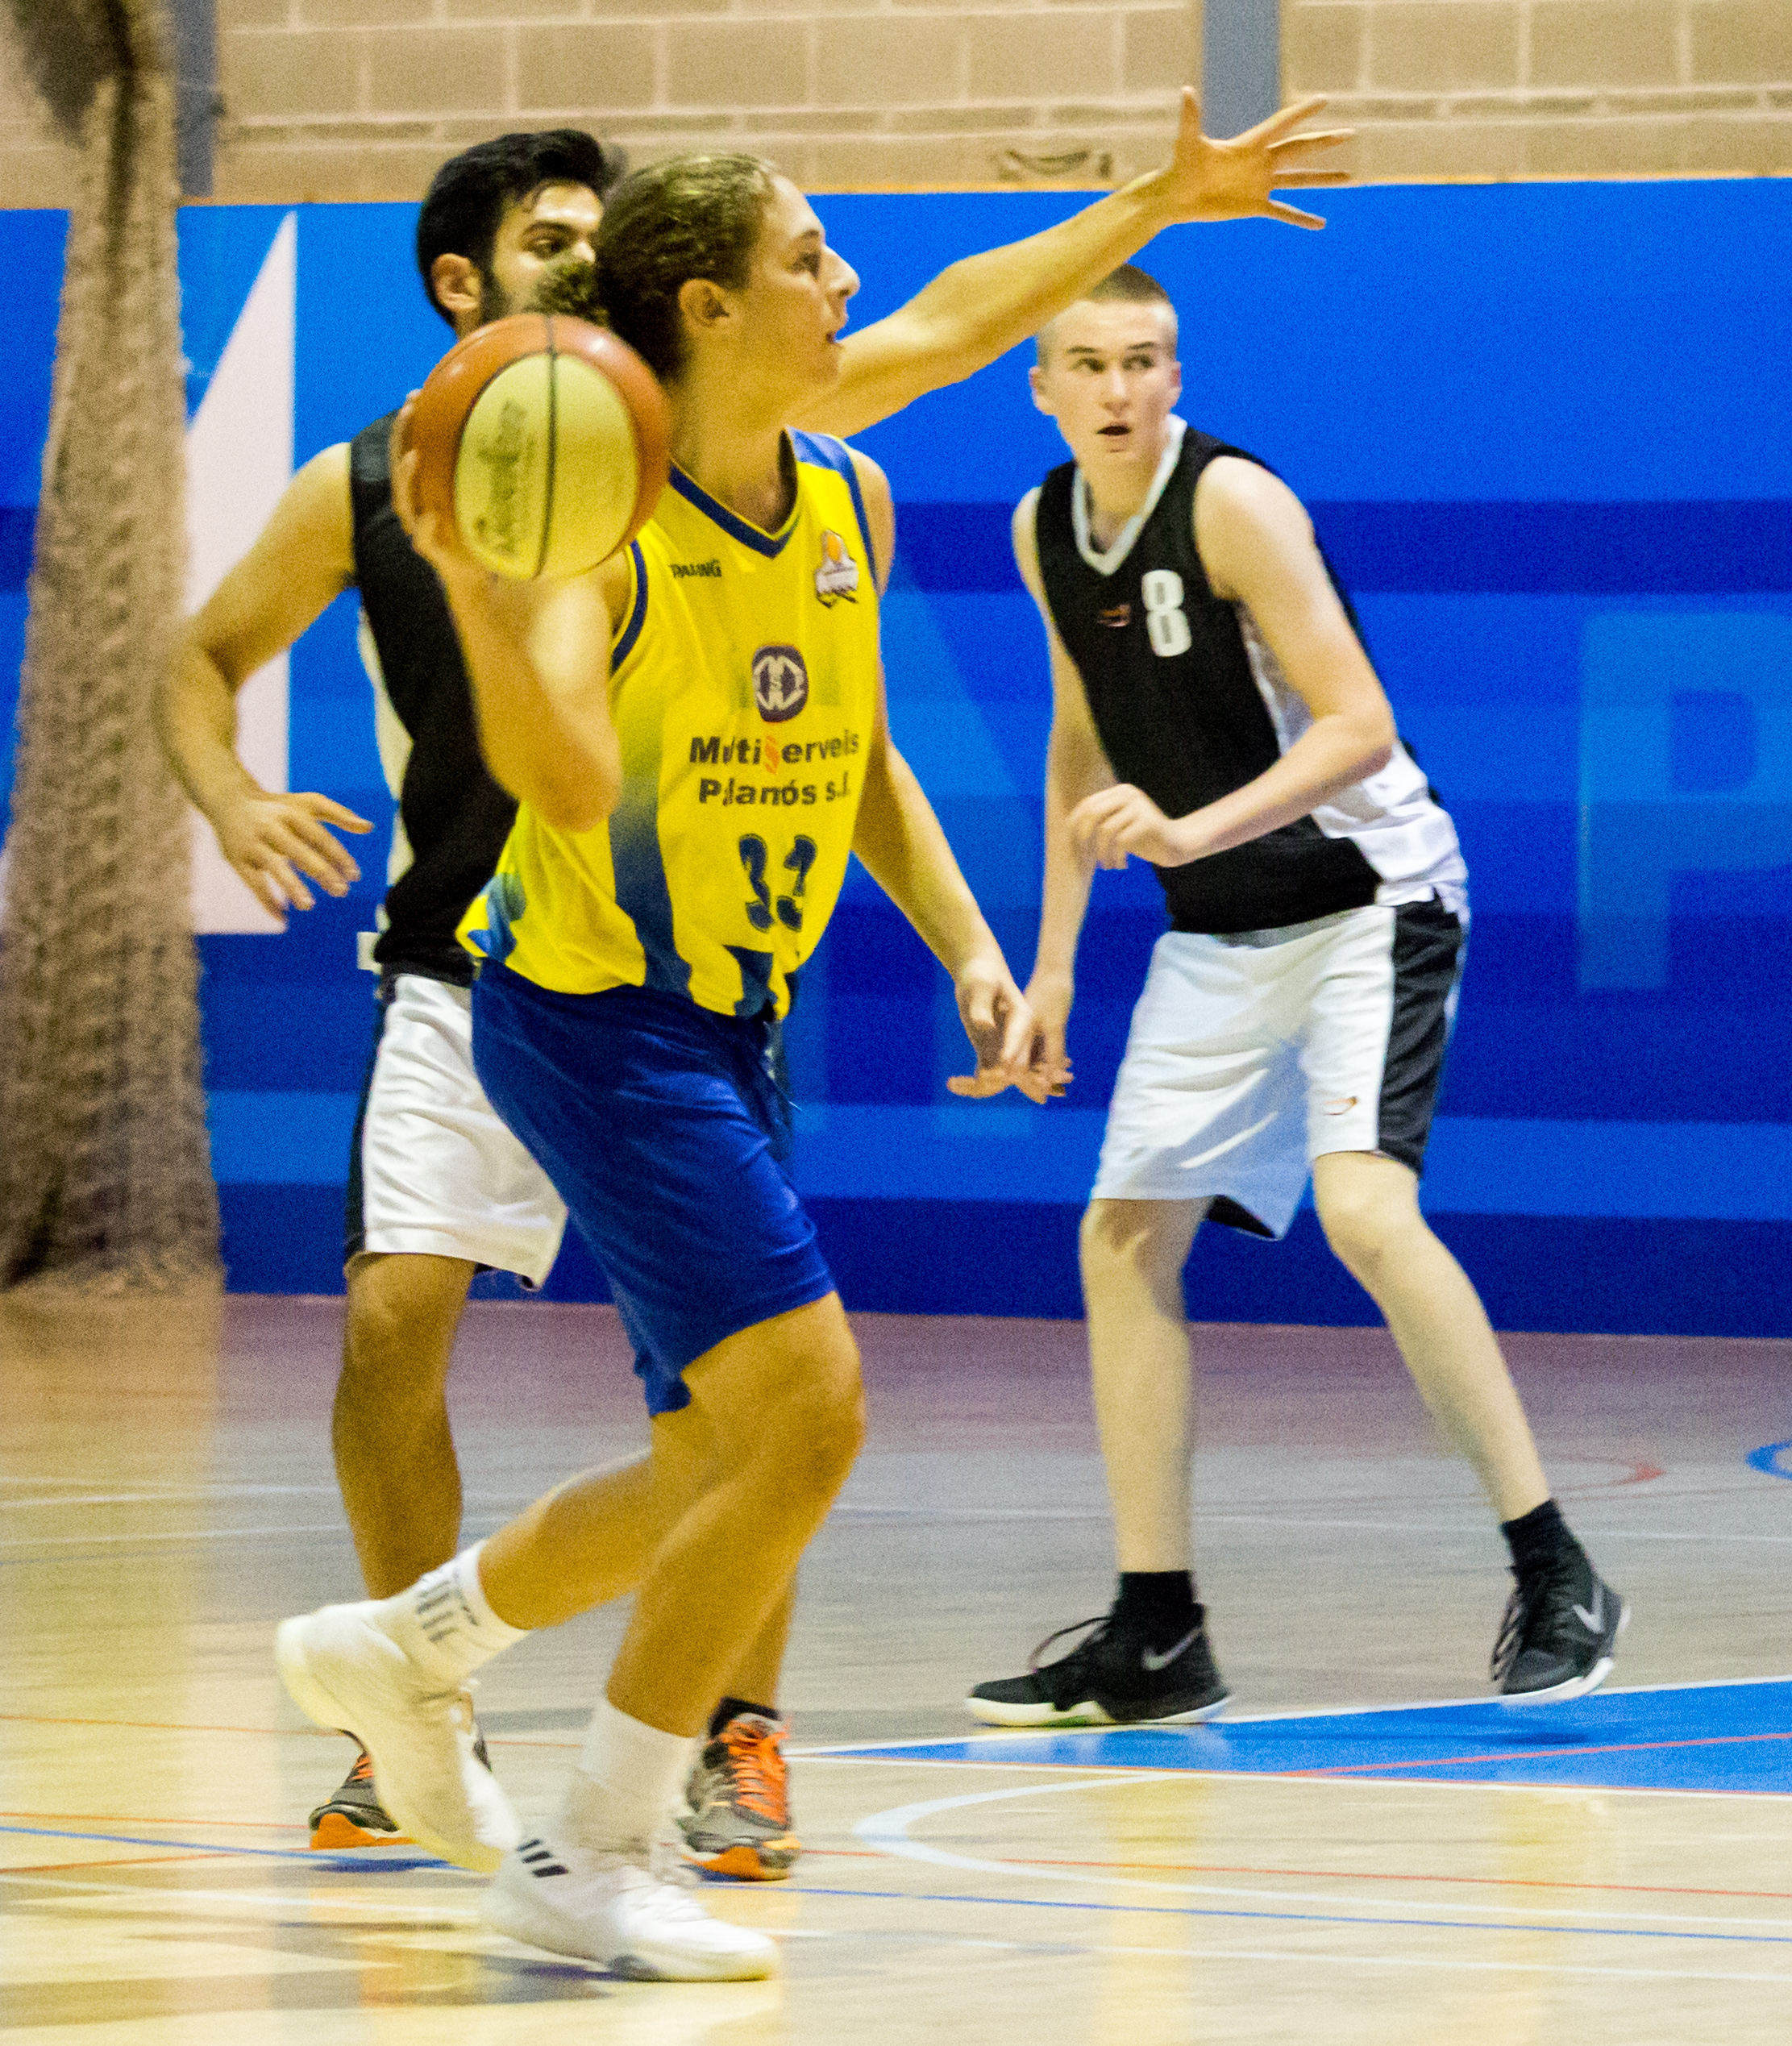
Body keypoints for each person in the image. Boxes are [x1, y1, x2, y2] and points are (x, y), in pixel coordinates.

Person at [269, 94, 1349, 1982]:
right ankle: (592, 1846)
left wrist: (1160, 196)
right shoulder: (599, 523)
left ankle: (408, 1647)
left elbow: (864, 687)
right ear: (703, 308)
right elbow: (566, 784)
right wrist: (490, 606)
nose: (846, 279)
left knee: (718, 1460)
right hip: (594, 1021)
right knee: (812, 1414)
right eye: (804, 255)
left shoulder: (836, 482)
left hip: (730, 1022)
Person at [165, 128, 796, 1880]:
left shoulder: (677, 449)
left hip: (661, 990)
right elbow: (199, 656)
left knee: (753, 1398)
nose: (585, 264)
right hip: (461, 969)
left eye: (603, 238)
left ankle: (738, 1731)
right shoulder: (367, 484)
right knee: (389, 1328)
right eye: (550, 239)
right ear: (461, 284)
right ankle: (412, 1721)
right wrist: (231, 795)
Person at [963, 267, 1622, 1730]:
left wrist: (1192, 831)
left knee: (1365, 1213)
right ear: (1042, 387)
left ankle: (1555, 1569)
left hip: (1368, 896)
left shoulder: (1232, 506)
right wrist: (1054, 961)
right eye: (1089, 364)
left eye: (1144, 360)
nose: (1119, 390)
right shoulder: (1041, 527)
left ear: (1175, 373)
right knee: (1121, 1237)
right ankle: (1158, 1630)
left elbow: (1359, 722)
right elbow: (1080, 740)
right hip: (1219, 928)